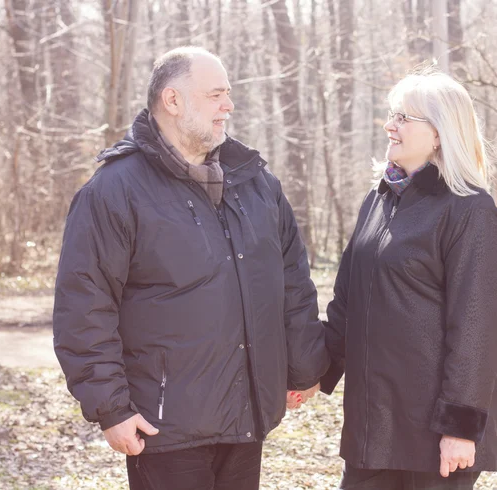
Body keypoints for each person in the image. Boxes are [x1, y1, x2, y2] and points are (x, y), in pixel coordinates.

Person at [53, 46, 328, 490]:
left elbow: (292, 283)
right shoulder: (113, 190)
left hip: (245, 417)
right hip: (163, 427)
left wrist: (304, 367)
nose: (229, 105)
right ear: (173, 100)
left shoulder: (257, 183)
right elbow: (84, 307)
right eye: (215, 94)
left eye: (229, 94)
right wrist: (111, 409)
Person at [321, 71, 497, 490]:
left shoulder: (471, 213)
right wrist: (311, 373)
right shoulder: (378, 200)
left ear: (440, 134)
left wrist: (460, 428)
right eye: (392, 115)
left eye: (404, 117)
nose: (390, 125)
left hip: (433, 438)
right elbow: (346, 305)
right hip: (371, 426)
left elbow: (477, 333)